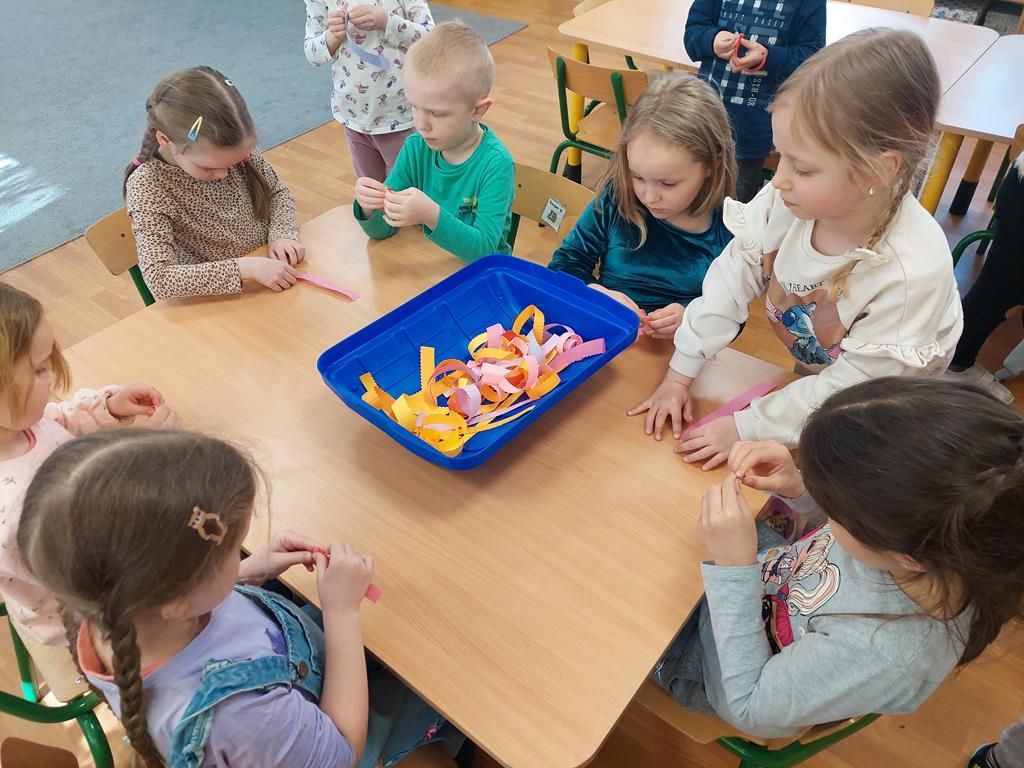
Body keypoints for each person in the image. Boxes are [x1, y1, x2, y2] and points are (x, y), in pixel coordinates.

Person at [18, 429, 461, 767]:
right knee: (446, 681)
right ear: (179, 599)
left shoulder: (104, 603)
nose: (241, 555)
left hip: (297, 669)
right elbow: (341, 753)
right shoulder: (240, 717)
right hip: (335, 732)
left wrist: (250, 571)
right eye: (234, 551)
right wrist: (342, 613)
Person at [629, 30, 962, 470]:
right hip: (827, 365)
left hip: (883, 394)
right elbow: (731, 278)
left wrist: (749, 426)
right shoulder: (789, 201)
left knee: (844, 459)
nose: (779, 179)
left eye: (802, 168)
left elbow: (855, 391)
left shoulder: (909, 272)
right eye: (780, 156)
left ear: (878, 171)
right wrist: (680, 374)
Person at [654, 377, 1024, 738]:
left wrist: (735, 570)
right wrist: (800, 488)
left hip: (711, 668)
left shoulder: (884, 654)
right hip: (758, 579)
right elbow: (851, 540)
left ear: (906, 556)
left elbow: (748, 707)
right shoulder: (932, 543)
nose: (828, 514)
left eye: (832, 507)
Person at [0, 283, 178, 645]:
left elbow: (60, 420)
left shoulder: (19, 424)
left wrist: (110, 407)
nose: (52, 376)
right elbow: (102, 545)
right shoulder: (13, 512)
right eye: (39, 369)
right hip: (100, 616)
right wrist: (150, 456)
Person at [549, 74, 735, 340]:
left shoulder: (730, 228)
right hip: (609, 340)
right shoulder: (618, 197)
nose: (649, 197)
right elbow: (563, 265)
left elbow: (731, 315)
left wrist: (693, 316)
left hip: (683, 354)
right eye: (637, 176)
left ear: (711, 164)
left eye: (668, 183)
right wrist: (596, 293)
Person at [124, 67, 304, 299]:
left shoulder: (230, 147)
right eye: (208, 168)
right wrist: (246, 268)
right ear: (166, 140)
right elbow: (159, 279)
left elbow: (277, 193)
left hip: (269, 280)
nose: (224, 174)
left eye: (234, 162)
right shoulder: (149, 185)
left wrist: (282, 234)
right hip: (218, 303)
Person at [353, 21, 515, 262]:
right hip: (427, 267)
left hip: (480, 277)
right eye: (413, 106)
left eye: (437, 113)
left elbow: (486, 252)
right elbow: (383, 229)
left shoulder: (495, 164)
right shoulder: (415, 148)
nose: (421, 124)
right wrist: (369, 207)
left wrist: (431, 216)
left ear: (478, 111)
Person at [683, 0, 825, 202]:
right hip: (701, 121)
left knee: (737, 207)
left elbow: (812, 60)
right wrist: (712, 39)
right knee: (690, 197)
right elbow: (692, 35)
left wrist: (767, 57)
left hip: (753, 131)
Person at [303, 0, 434, 181]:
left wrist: (388, 21)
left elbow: (432, 41)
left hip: (399, 115)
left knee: (407, 187)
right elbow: (313, 54)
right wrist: (331, 35)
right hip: (354, 118)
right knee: (371, 191)